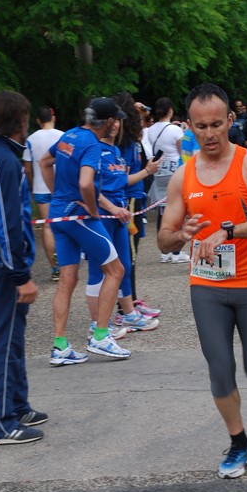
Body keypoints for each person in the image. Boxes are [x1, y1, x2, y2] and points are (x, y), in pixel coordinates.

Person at [158, 83, 247, 479]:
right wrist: (181, 234)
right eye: (201, 127)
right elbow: (163, 238)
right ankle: (240, 442)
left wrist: (230, 231)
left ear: (230, 121)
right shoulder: (182, 178)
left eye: (217, 124)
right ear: (189, 126)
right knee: (219, 369)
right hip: (207, 287)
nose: (209, 134)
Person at [0, 91, 47, 445]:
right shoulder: (4, 162)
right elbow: (6, 223)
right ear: (20, 122)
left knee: (13, 335)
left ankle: (17, 404)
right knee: (3, 341)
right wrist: (21, 276)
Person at [40, 97, 131, 364]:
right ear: (109, 122)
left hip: (58, 215)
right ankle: (100, 336)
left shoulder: (70, 134)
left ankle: (60, 347)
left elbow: (45, 161)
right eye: (115, 119)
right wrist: (92, 209)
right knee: (116, 270)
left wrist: (58, 193)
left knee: (68, 279)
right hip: (78, 215)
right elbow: (85, 183)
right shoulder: (92, 144)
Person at [85, 114, 160, 335]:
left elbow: (121, 182)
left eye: (118, 121)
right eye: (111, 120)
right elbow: (88, 186)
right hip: (102, 217)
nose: (115, 125)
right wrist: (112, 208)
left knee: (124, 266)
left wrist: (147, 171)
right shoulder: (94, 150)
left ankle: (128, 315)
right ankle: (97, 324)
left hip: (120, 216)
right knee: (99, 271)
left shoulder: (116, 152)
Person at [112, 92, 162, 320]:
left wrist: (141, 109)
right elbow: (123, 178)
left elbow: (147, 118)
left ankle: (131, 301)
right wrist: (147, 171)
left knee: (132, 255)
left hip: (135, 198)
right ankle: (125, 309)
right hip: (128, 201)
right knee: (127, 257)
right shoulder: (120, 143)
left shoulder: (132, 138)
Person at [23, 106, 63, 281]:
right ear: (53, 116)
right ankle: (68, 262)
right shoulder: (63, 135)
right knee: (66, 225)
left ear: (38, 120)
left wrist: (32, 188)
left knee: (48, 226)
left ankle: (55, 268)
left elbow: (27, 169)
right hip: (61, 188)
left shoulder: (30, 139)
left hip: (40, 188)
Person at [147, 97, 189, 264]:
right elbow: (182, 151)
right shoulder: (174, 130)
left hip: (159, 171)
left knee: (162, 210)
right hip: (174, 171)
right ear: (170, 110)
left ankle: (165, 251)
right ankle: (176, 251)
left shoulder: (150, 130)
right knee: (177, 208)